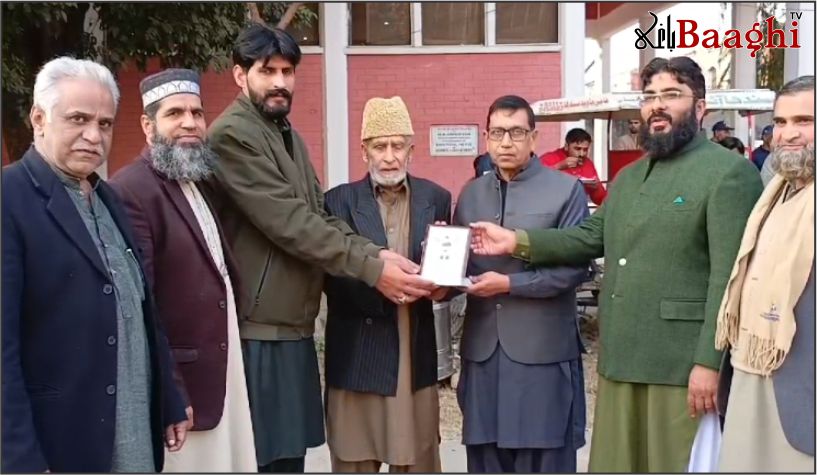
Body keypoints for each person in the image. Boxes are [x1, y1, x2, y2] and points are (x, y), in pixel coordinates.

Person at [468, 57, 763, 472]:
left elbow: (728, 281)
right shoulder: (630, 177)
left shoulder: (728, 173)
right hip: (621, 358)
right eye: (650, 96)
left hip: (679, 365)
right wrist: (517, 241)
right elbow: (588, 237)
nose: (657, 105)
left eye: (672, 95)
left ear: (700, 107)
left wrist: (709, 363)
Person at [207, 25, 434, 473]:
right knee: (266, 460)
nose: (279, 82)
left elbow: (318, 215)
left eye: (287, 71)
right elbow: (290, 222)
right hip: (259, 330)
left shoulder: (285, 134)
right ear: (239, 74)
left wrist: (375, 253)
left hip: (292, 325)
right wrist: (372, 269)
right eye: (267, 71)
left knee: (289, 458)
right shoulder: (233, 135)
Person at [2, 56, 188, 472]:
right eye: (78, 119)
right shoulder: (10, 199)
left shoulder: (109, 199)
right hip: (59, 444)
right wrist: (20, 460)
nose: (93, 135)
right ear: (38, 119)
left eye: (104, 124)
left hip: (132, 435)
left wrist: (168, 398)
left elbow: (141, 307)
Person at [109, 68, 257, 472]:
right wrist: (170, 390)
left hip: (221, 369)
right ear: (148, 125)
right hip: (184, 388)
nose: (190, 123)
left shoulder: (192, 178)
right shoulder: (132, 190)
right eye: (174, 113)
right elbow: (142, 306)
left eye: (197, 113)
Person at [453, 95, 589, 473]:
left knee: (544, 459)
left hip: (542, 353)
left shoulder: (565, 190)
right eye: (498, 133)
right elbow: (460, 263)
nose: (506, 143)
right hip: (483, 352)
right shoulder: (471, 194)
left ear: (534, 137)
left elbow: (574, 269)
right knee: (485, 459)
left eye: (516, 133)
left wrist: (510, 284)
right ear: (486, 138)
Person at [323, 96, 451, 473]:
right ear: (364, 151)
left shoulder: (436, 198)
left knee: (419, 459)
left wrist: (443, 286)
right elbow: (330, 276)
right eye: (380, 146)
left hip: (414, 348)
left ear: (412, 149)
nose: (390, 157)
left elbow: (448, 268)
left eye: (398, 146)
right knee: (354, 459)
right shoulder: (337, 202)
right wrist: (380, 280)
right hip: (359, 352)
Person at [716, 75, 815, 472]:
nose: (788, 134)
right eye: (781, 122)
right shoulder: (774, 191)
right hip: (751, 371)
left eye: (804, 121)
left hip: (803, 393)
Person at [540, 128, 607, 205]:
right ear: (566, 146)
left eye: (585, 150)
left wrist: (596, 188)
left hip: (579, 209)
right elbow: (535, 181)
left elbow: (601, 200)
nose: (581, 154)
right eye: (577, 149)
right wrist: (558, 167)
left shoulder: (588, 164)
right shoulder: (550, 158)